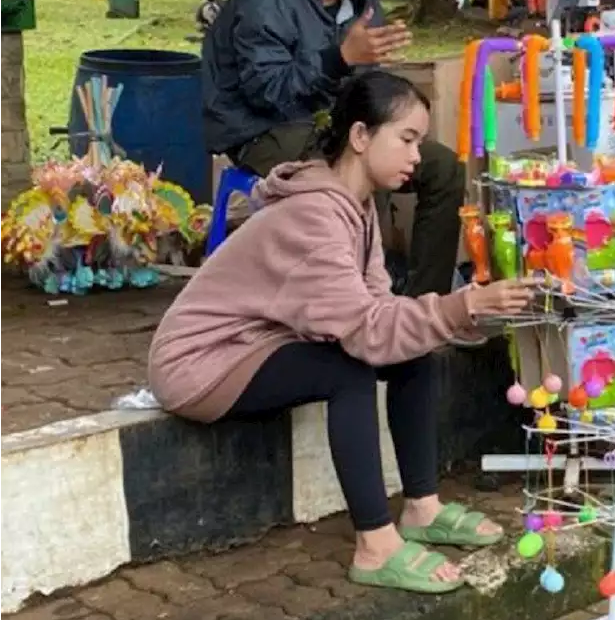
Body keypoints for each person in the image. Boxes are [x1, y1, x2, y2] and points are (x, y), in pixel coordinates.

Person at [150, 71, 539, 593]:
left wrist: (448, 315)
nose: (418, 157)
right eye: (406, 139)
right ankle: (375, 547)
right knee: (349, 371)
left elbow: (378, 306)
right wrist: (460, 304)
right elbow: (365, 333)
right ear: (360, 137)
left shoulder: (354, 206)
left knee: (412, 351)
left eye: (418, 141)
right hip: (204, 363)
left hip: (260, 342)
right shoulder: (313, 217)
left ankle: (421, 507)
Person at [202, 0, 473, 320]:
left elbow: (366, 92)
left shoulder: (363, 3)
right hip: (262, 130)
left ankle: (420, 309)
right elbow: (268, 94)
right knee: (366, 162)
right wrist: (339, 58)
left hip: (332, 124)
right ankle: (361, 305)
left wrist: (395, 109)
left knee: (442, 169)